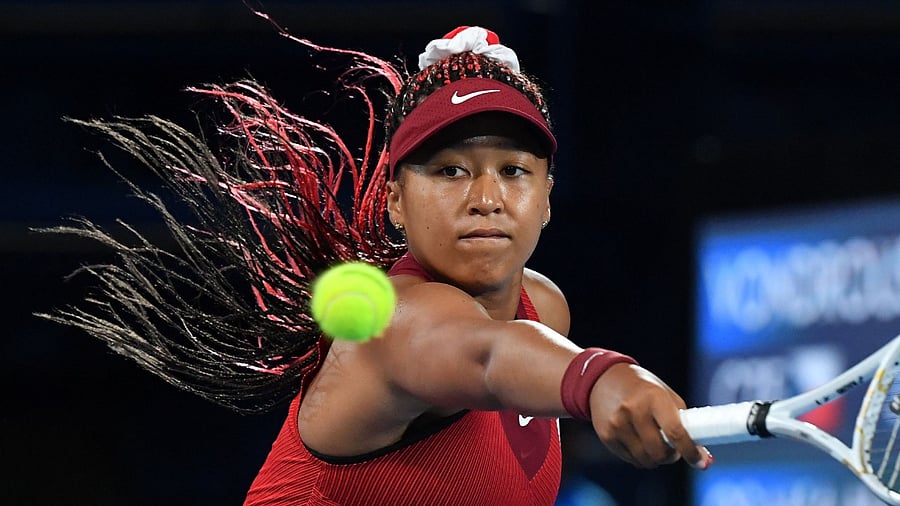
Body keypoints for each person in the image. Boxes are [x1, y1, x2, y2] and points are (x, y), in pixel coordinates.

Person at [39, 15, 712, 506]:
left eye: (513, 170)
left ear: (547, 199)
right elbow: (486, 355)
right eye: (449, 172)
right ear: (394, 201)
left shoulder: (547, 307)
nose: (486, 198)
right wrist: (598, 379)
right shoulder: (394, 324)